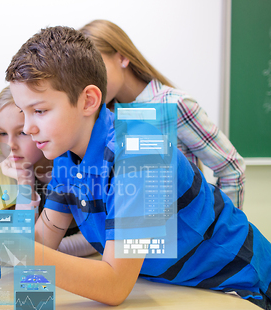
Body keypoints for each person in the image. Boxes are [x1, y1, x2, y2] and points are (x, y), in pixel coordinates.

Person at [5, 26, 271, 310]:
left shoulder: (141, 150)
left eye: (40, 111)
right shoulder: (66, 155)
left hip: (238, 286)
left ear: (89, 100)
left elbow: (113, 285)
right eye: (24, 112)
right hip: (174, 288)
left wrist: (23, 252)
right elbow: (44, 241)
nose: (29, 127)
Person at [80, 19, 246, 209]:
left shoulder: (175, 104)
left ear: (122, 58)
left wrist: (218, 228)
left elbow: (232, 169)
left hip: (185, 235)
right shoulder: (104, 116)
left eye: (98, 69)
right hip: (131, 235)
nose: (93, 82)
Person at [0, 86, 96, 257]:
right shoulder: (5, 169)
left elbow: (94, 241)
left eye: (22, 133)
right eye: (2, 133)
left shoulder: (72, 168)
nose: (10, 144)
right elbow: (22, 242)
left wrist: (45, 252)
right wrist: (25, 184)